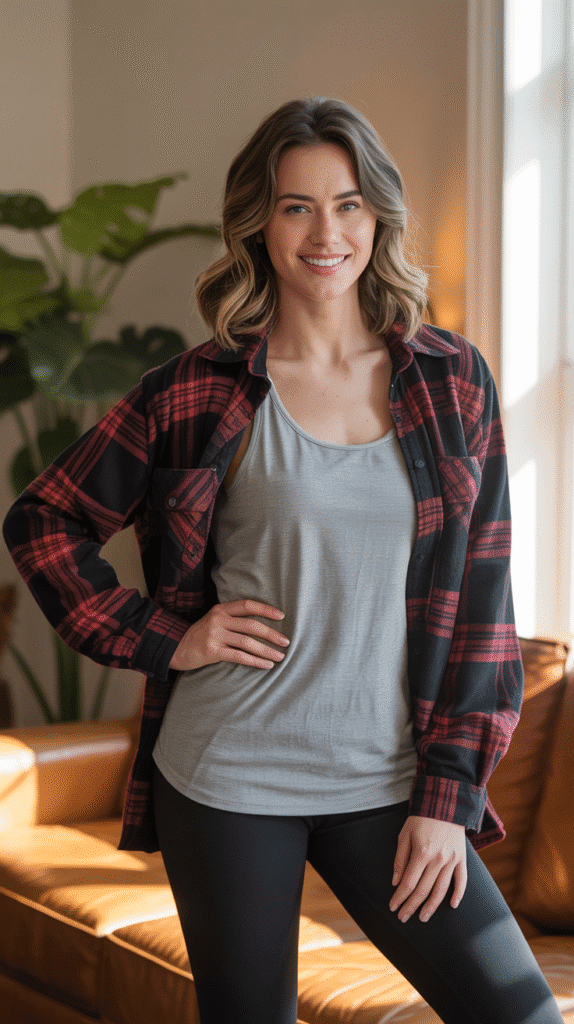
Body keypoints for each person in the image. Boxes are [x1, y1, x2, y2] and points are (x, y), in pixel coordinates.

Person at [2, 97, 563, 1024]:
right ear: (258, 224)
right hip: (229, 773)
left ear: (377, 215)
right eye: (296, 206)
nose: (324, 231)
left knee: (519, 1014)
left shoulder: (451, 379)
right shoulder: (194, 390)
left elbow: (482, 601)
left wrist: (449, 796)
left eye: (346, 203)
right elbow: (45, 520)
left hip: (391, 783)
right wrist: (165, 638)